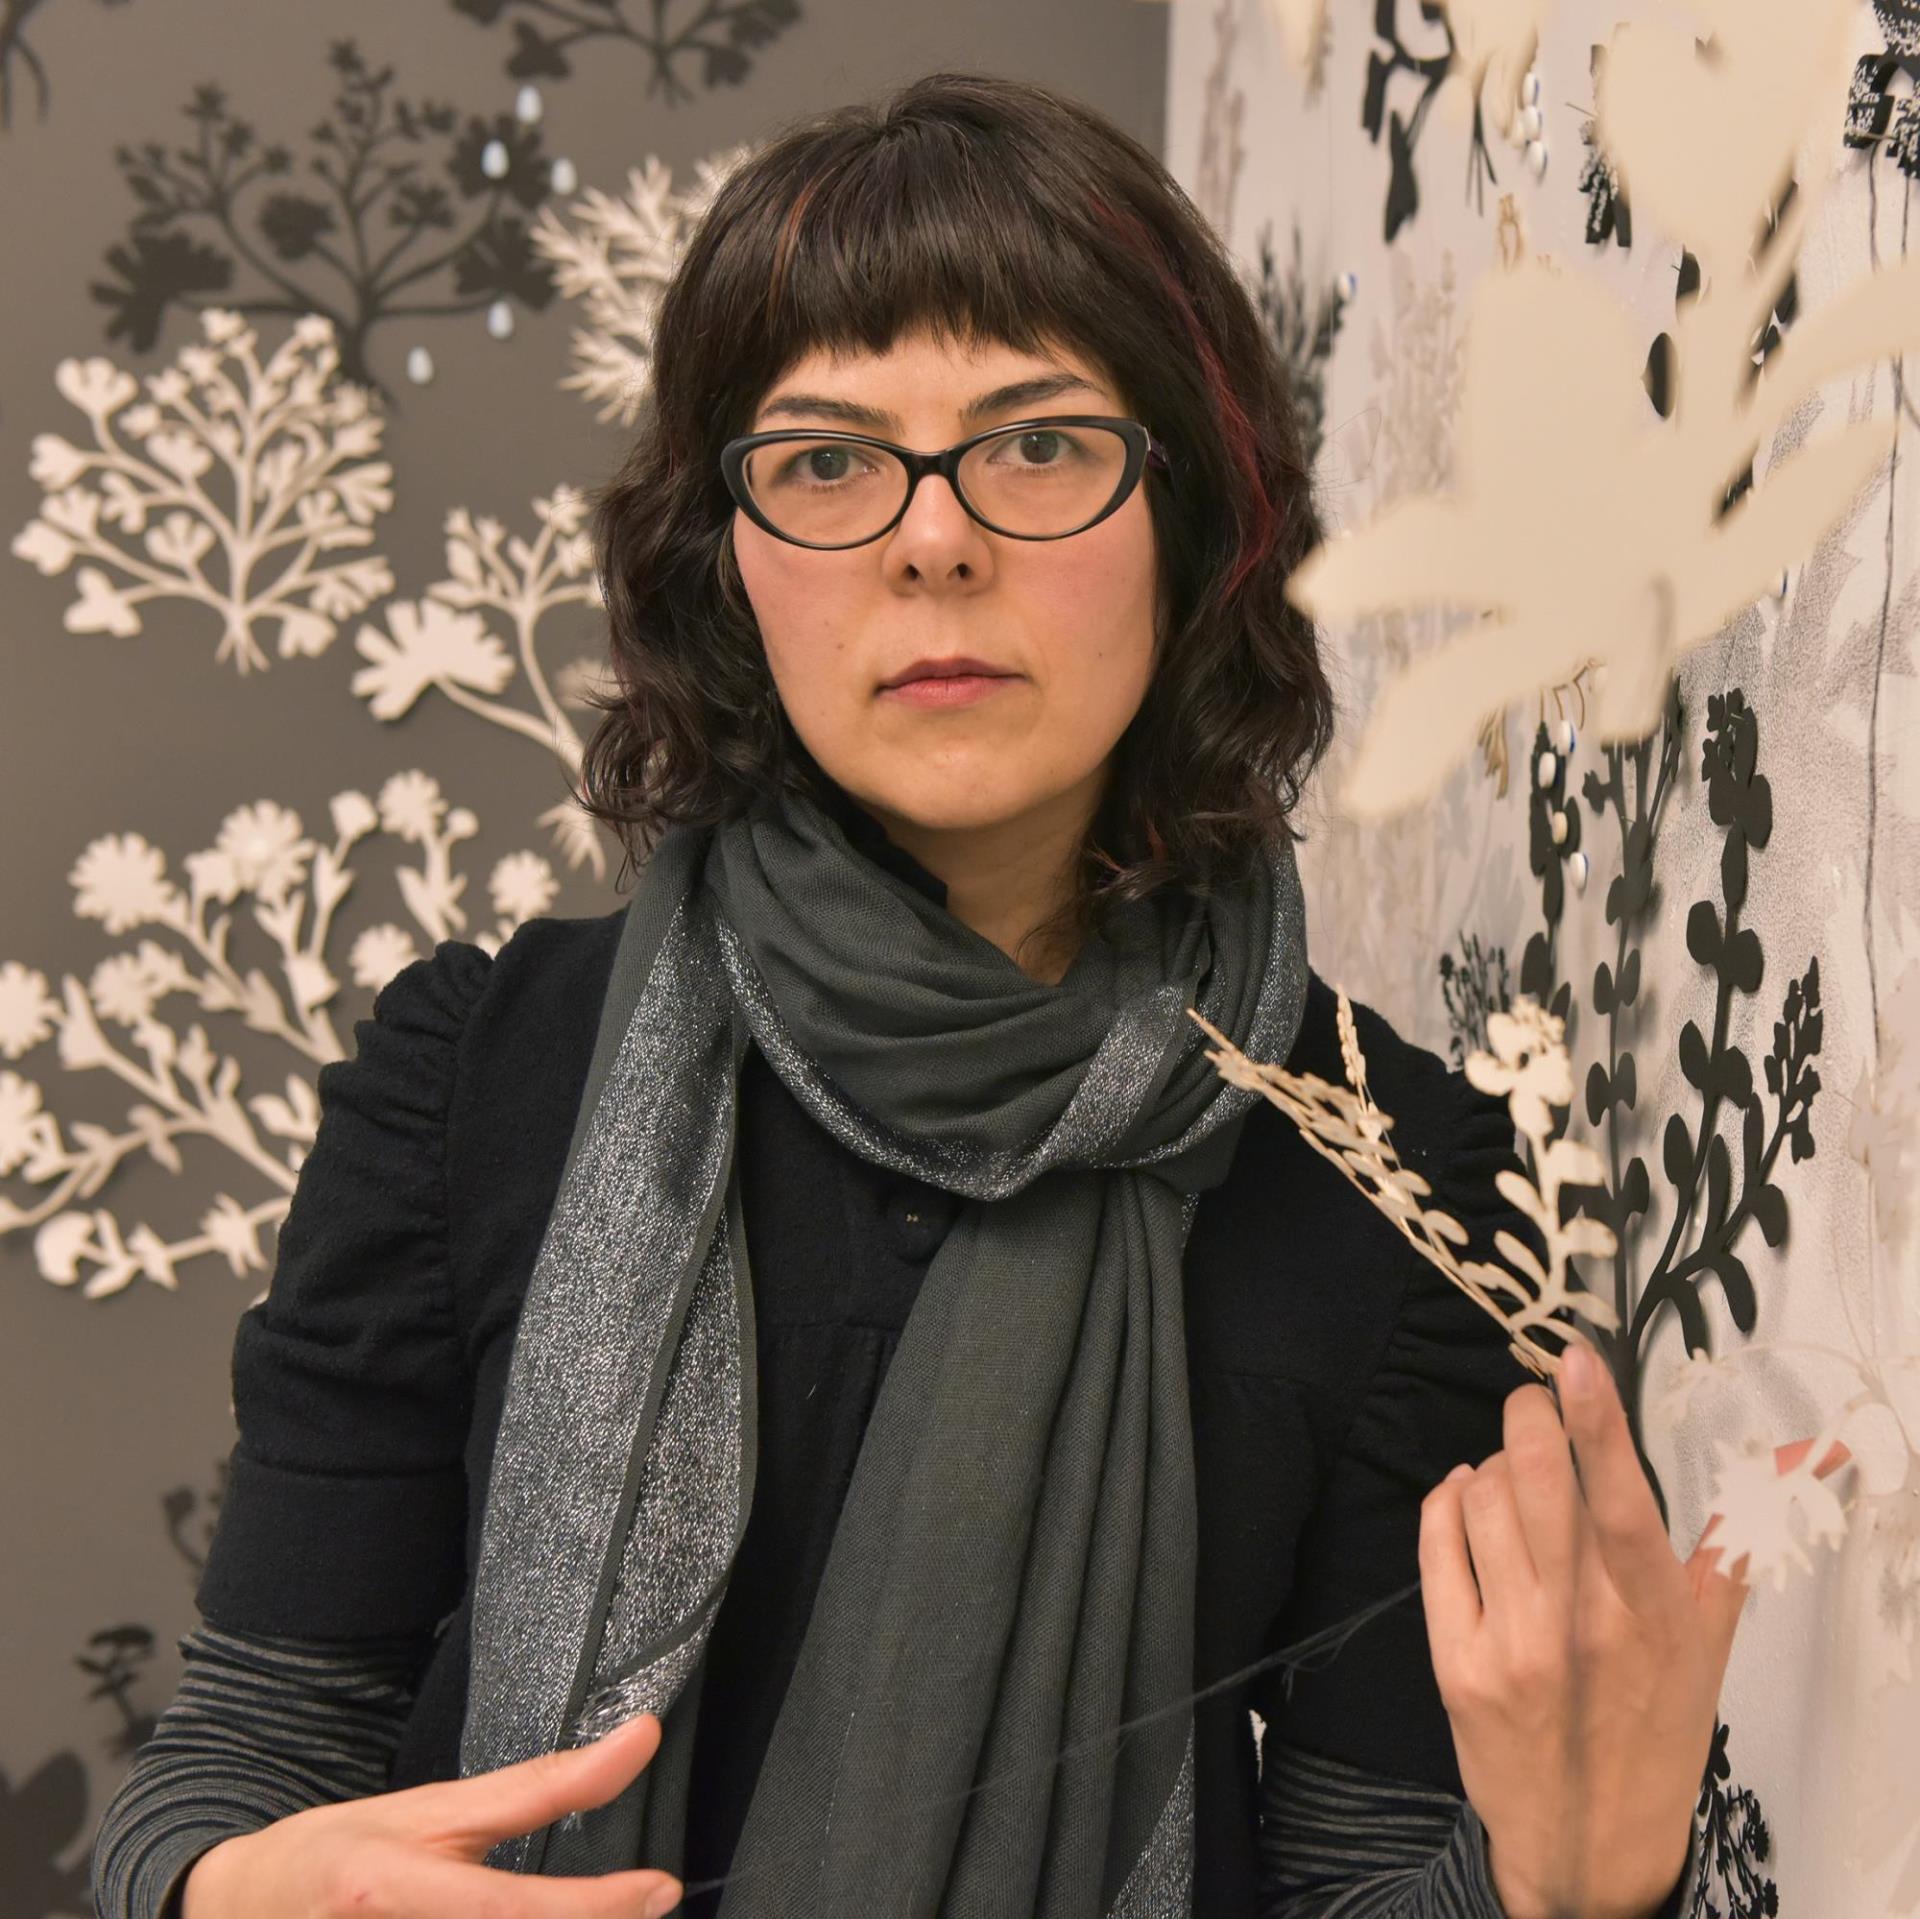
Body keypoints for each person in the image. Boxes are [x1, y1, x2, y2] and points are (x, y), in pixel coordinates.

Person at [90, 70, 1738, 1919]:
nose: (931, 539)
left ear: (1198, 523)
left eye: (1037, 444)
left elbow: (1361, 1880)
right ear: (732, 571)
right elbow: (228, 1770)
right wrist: (242, 1894)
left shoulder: (1391, 1170)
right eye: (826, 461)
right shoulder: (478, 1072)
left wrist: (1562, 1889)